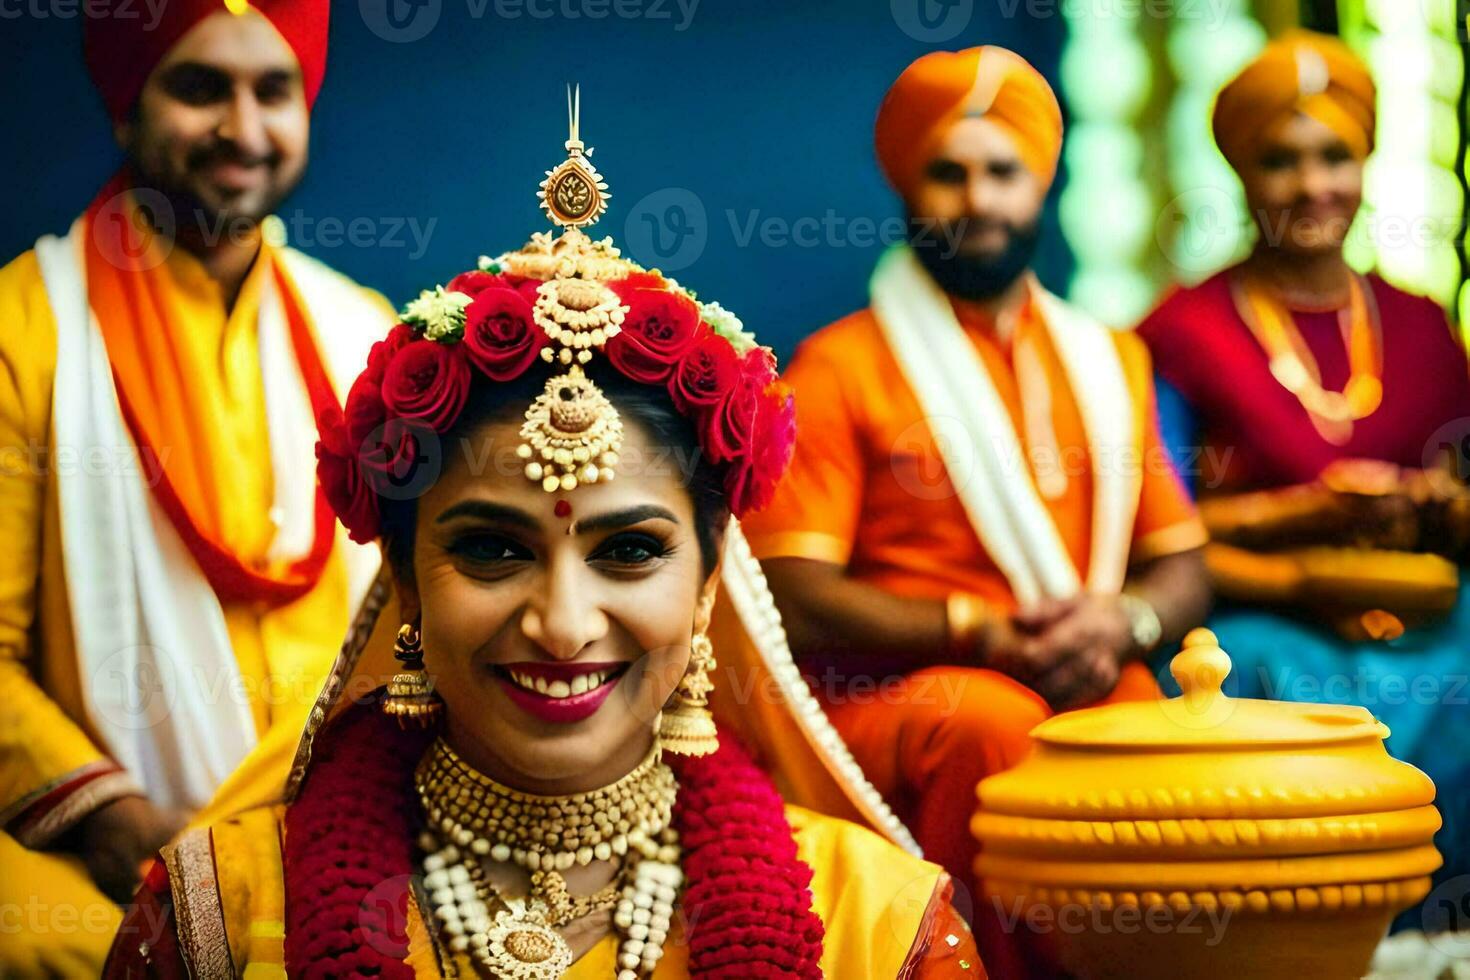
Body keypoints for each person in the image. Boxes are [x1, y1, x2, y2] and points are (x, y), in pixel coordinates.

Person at [103, 102, 985, 979]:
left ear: (711, 583)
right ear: (404, 579)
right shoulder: (223, 914)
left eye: (630, 551)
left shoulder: (875, 923)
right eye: (493, 549)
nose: (563, 627)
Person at [738, 46, 1212, 974]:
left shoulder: (1108, 361)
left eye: (1004, 173)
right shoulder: (840, 367)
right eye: (947, 174)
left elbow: (1184, 562)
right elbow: (790, 593)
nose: (978, 201)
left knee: (1148, 712)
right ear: (909, 191)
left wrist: (1126, 618)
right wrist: (975, 631)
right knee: (985, 720)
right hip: (886, 695)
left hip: (1076, 662)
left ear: (1039, 187)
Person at [0, 2, 390, 971]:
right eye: (201, 87)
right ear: (127, 103)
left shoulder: (365, 333)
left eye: (275, 90)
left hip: (340, 829)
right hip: (107, 854)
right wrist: (113, 816)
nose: (245, 130)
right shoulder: (22, 334)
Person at [1135, 28, 1470, 917]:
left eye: (1336, 156)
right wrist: (1305, 528)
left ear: (1365, 162)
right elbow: (1152, 534)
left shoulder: (1427, 329)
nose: (1313, 185)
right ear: (1243, 172)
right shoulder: (1181, 332)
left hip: (1428, 622)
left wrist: (1437, 509)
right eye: (1281, 159)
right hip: (1255, 623)